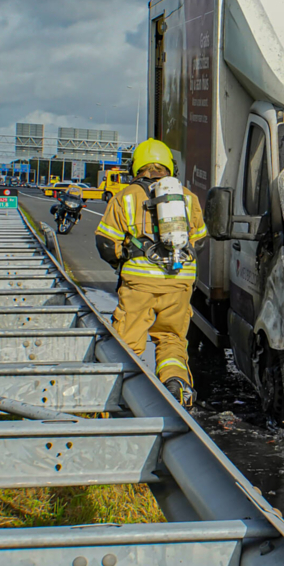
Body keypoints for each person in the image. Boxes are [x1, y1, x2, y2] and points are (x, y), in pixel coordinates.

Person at [94, 139, 207, 406]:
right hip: (178, 282)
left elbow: (106, 244)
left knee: (127, 343)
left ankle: (119, 399)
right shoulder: (188, 198)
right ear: (171, 166)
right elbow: (200, 240)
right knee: (171, 339)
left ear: (136, 167)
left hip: (139, 285)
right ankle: (177, 386)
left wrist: (123, 259)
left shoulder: (125, 197)